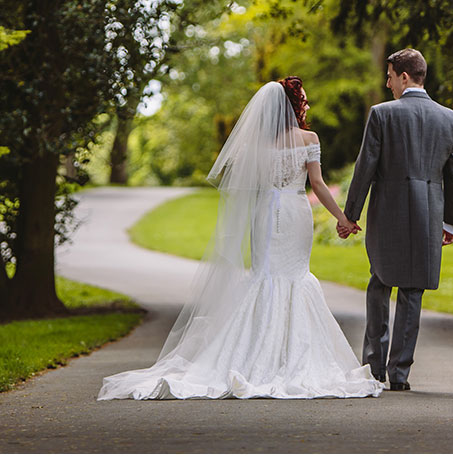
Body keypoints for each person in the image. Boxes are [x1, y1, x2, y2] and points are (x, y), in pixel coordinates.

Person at [98, 77, 383, 400]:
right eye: (303, 99)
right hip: (294, 212)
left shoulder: (256, 146)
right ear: (293, 105)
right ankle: (287, 357)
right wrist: (342, 218)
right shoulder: (309, 138)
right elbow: (316, 184)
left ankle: (249, 353)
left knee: (264, 277)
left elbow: (243, 185)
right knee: (294, 277)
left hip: (264, 214)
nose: (307, 103)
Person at [338, 48, 453, 391]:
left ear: (405, 77)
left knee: (380, 282)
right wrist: (450, 222)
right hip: (428, 215)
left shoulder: (381, 114)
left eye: (391, 75)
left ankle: (374, 366)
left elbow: (365, 169)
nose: (388, 82)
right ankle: (400, 374)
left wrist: (349, 215)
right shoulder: (449, 119)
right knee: (413, 290)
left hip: (387, 213)